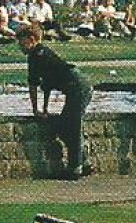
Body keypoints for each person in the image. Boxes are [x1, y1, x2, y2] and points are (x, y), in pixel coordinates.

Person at [19, 22, 92, 180]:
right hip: (79, 86)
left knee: (72, 127)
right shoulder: (42, 53)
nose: (20, 46)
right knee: (65, 126)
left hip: (77, 87)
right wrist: (43, 110)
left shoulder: (36, 56)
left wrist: (35, 110)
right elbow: (47, 86)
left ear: (32, 39)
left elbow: (33, 85)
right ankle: (84, 161)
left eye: (22, 41)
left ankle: (75, 168)